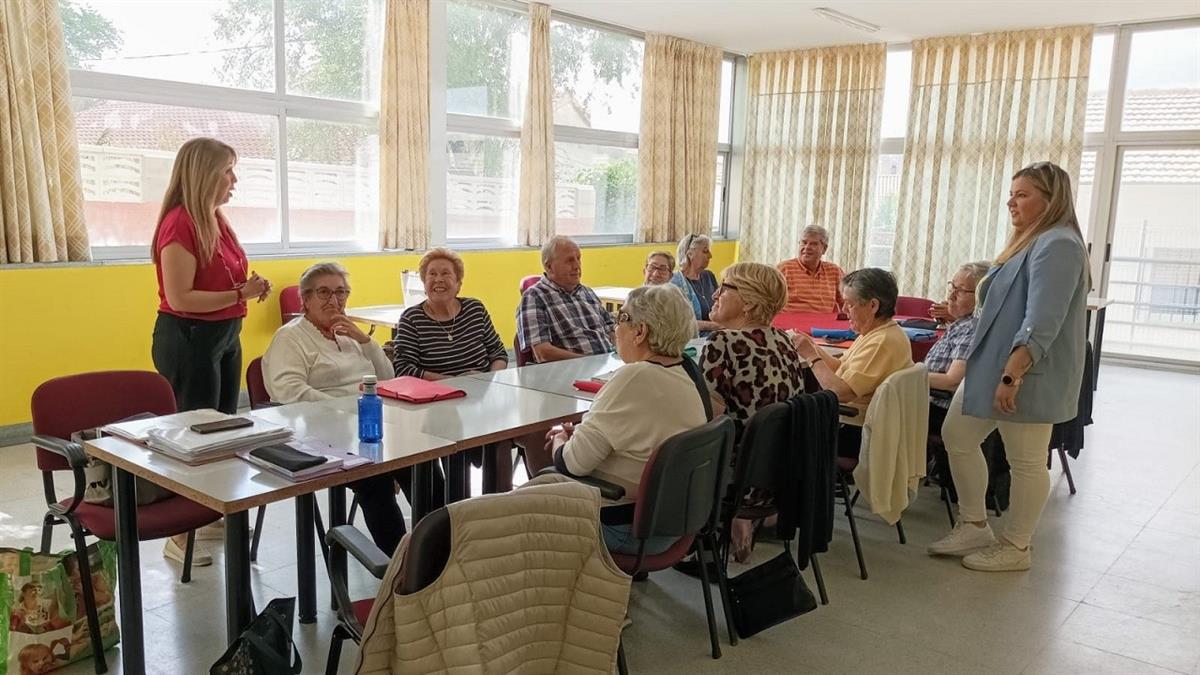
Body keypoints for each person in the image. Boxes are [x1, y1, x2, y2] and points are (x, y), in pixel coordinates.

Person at [928, 162, 1089, 572]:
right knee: (958, 435)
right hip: (993, 363)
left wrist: (1012, 375)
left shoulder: (1058, 244)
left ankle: (1016, 547)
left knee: (1027, 460)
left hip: (1024, 371)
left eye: (1023, 194)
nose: (1011, 202)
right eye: (1012, 193)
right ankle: (974, 523)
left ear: (1051, 200)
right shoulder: (1030, 240)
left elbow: (1042, 320)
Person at [150, 137, 272, 566]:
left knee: (222, 434)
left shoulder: (215, 220)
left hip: (223, 335)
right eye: (227, 171)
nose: (233, 180)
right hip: (189, 339)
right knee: (193, 437)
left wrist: (248, 289)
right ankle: (178, 533)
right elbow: (182, 297)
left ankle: (207, 515)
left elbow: (222, 282)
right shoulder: (180, 223)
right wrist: (241, 291)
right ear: (204, 174)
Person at [262, 262, 410, 555]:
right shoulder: (290, 338)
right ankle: (402, 567)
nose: (334, 300)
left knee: (423, 462)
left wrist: (366, 341)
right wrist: (344, 412)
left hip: (367, 426)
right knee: (376, 478)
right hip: (318, 433)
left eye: (341, 292)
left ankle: (443, 548)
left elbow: (388, 378)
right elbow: (290, 392)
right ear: (304, 299)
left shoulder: (348, 333)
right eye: (324, 293)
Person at [548, 285, 706, 554]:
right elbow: (636, 429)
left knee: (520, 504)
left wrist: (561, 438)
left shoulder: (633, 377)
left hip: (624, 527)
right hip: (675, 522)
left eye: (621, 319)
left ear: (640, 332)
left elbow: (572, 463)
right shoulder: (686, 370)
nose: (614, 328)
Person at [699, 262, 806, 561]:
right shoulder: (784, 340)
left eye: (725, 287)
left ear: (748, 302)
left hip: (734, 476)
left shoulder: (723, 343)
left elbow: (707, 419)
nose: (715, 293)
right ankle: (743, 518)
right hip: (775, 475)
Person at [792, 268, 913, 461]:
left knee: (780, 430)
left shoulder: (881, 342)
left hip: (855, 429)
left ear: (873, 305)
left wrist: (810, 357)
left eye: (849, 304)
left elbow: (841, 392)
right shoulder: (877, 332)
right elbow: (840, 367)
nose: (844, 310)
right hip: (856, 422)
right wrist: (813, 347)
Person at [392, 248, 508, 379]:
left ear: (458, 284)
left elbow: (498, 353)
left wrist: (489, 379)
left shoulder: (475, 309)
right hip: (437, 395)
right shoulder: (411, 319)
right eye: (432, 274)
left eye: (446, 273)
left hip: (482, 389)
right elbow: (404, 369)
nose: (438, 279)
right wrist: (455, 383)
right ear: (424, 283)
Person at [517, 235, 616, 363]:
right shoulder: (535, 297)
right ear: (549, 267)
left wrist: (619, 356)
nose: (577, 266)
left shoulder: (587, 293)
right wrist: (590, 362)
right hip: (571, 372)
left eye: (578, 259)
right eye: (569, 260)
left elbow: (612, 330)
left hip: (607, 366)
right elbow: (542, 353)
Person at [925, 261, 991, 434]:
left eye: (960, 290)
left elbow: (952, 381)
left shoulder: (972, 328)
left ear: (982, 296)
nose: (951, 296)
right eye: (952, 286)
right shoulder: (962, 323)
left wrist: (906, 375)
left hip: (941, 409)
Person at [776, 225, 845, 313]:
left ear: (824, 249)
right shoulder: (783, 269)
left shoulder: (834, 271)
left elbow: (846, 303)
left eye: (813, 244)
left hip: (823, 325)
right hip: (789, 325)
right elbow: (768, 302)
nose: (807, 247)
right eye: (804, 242)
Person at [670, 233, 721, 333]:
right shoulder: (675, 282)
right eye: (705, 251)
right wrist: (716, 326)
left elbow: (721, 306)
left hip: (714, 334)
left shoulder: (709, 276)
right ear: (690, 254)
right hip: (690, 339)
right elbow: (678, 322)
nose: (710, 256)